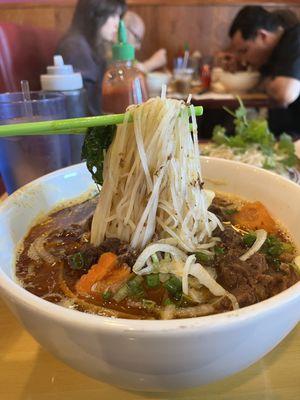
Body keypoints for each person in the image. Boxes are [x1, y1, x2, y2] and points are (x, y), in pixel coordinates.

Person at [228, 6, 300, 137]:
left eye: (244, 51)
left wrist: (266, 84)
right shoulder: (269, 54)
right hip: (284, 133)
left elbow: (285, 94)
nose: (243, 60)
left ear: (262, 36)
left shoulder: (296, 37)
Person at [56, 0, 126, 116]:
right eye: (113, 15)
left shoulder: (87, 45)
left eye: (118, 16)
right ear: (95, 15)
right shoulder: (75, 48)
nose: (117, 24)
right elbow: (87, 110)